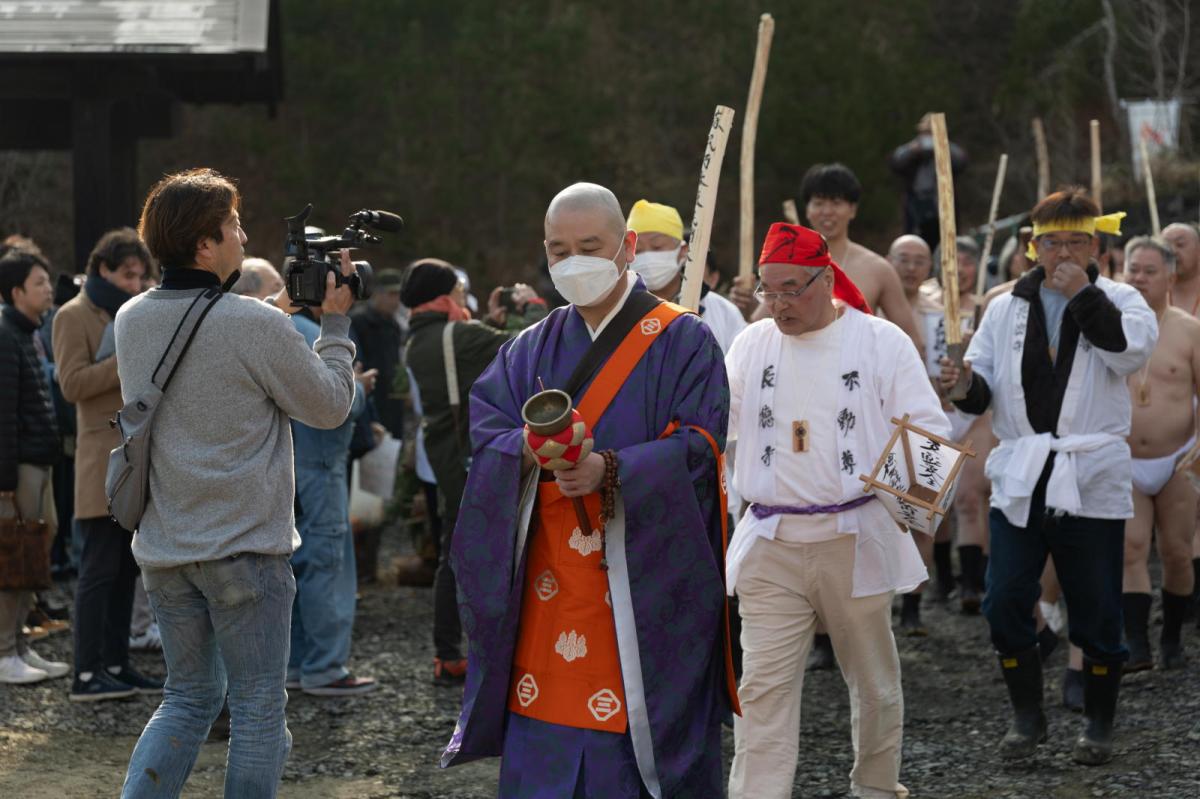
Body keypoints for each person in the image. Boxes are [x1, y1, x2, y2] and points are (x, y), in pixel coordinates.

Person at [441, 182, 736, 797]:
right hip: (547, 580)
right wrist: (526, 449)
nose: (573, 261)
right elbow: (488, 432)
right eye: (559, 249)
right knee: (544, 733)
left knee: (637, 741)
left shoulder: (684, 339)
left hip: (640, 579)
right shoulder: (529, 346)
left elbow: (703, 444)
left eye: (590, 246)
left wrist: (612, 469)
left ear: (626, 246)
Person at [115, 168, 356, 798]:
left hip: (167, 548)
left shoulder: (132, 317)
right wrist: (335, 326)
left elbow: (205, 343)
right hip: (245, 549)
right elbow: (330, 406)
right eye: (234, 226)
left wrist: (277, 312)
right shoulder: (251, 324)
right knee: (257, 707)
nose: (244, 237)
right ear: (205, 243)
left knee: (187, 697)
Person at [725, 223, 944, 799]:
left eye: (791, 289)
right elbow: (717, 425)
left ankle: (876, 787)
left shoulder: (879, 341)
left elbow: (927, 430)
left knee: (873, 684)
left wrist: (910, 512)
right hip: (770, 535)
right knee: (761, 688)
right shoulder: (751, 344)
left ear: (826, 281)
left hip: (854, 533)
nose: (778, 303)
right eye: (769, 290)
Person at [941, 188, 1155, 765]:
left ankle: (1099, 722)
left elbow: (1128, 353)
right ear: (1032, 247)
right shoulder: (1005, 307)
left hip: (1089, 472)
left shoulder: (1123, 299)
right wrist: (961, 384)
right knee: (1004, 599)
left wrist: (1082, 294)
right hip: (1022, 471)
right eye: (1051, 242)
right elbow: (981, 389)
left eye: (1076, 242)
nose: (1062, 252)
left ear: (1096, 248)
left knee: (1097, 606)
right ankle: (1026, 716)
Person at [52, 228, 162, 701]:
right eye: (127, 275)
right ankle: (86, 673)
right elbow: (71, 384)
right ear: (103, 269)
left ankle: (117, 663)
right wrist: (127, 358)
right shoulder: (72, 314)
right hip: (100, 458)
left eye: (140, 276)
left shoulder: (132, 312)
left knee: (126, 569)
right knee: (97, 569)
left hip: (134, 453)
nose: (135, 284)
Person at [401, 258, 515, 684]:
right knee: (491, 554)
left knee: (452, 554)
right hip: (472, 457)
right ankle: (495, 650)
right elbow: (525, 344)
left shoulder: (419, 338)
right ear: (445, 295)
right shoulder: (458, 335)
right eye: (458, 290)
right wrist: (527, 309)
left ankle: (447, 653)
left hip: (444, 458)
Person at [287, 302, 378, 695]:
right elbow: (336, 402)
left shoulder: (268, 328)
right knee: (327, 566)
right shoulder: (310, 332)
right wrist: (360, 387)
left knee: (293, 567)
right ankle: (325, 667)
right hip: (321, 464)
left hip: (287, 466)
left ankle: (295, 663)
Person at [1119, 236, 1198, 671]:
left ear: (1170, 276)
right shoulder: (1109, 323)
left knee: (1177, 552)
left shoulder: (1188, 329)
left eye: (1150, 271)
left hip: (1178, 457)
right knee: (1130, 548)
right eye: (1133, 269)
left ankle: (1171, 639)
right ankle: (1136, 645)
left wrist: (1197, 451)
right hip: (1124, 458)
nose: (1139, 278)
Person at [887, 234, 974, 628]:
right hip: (882, 419)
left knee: (921, 514)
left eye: (919, 260)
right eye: (902, 259)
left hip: (926, 418)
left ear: (930, 267)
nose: (910, 267)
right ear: (888, 261)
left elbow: (949, 374)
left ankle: (913, 605)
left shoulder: (942, 313)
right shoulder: (870, 307)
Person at [0, 246, 68, 685]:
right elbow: (3, 414)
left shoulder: (26, 332)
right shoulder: (6, 335)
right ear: (16, 291)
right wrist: (5, 481)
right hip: (19, 467)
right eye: (39, 283)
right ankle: (5, 651)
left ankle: (20, 645)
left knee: (34, 553)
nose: (48, 289)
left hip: (39, 462)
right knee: (15, 553)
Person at [626, 199, 747, 353]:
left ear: (683, 251)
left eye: (657, 247)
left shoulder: (723, 311)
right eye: (638, 250)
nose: (648, 257)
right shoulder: (619, 311)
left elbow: (741, 363)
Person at [889, 114, 968, 250]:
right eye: (926, 132)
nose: (929, 136)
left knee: (944, 245)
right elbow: (896, 162)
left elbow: (961, 162)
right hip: (916, 207)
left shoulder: (948, 148)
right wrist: (913, 152)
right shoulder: (912, 148)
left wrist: (943, 148)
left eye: (932, 133)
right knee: (917, 243)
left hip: (942, 206)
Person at [349, 269, 405, 437]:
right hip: (366, 399)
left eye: (398, 295)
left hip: (392, 403)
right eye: (391, 294)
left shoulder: (394, 325)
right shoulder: (358, 321)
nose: (396, 300)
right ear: (377, 293)